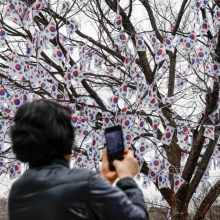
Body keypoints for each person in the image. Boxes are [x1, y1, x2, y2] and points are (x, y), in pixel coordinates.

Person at [8, 99, 149, 220]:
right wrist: (127, 178)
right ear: (65, 140)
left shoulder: (18, 191)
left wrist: (105, 181)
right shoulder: (86, 181)